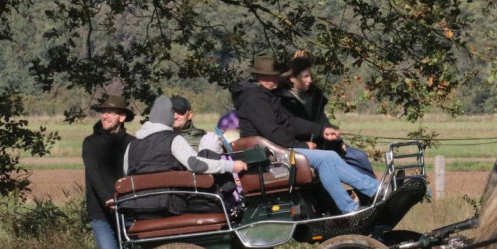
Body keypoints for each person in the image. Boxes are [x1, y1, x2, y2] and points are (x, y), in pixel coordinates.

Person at [231, 54, 379, 214]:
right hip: (267, 157)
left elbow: (290, 121)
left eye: (277, 75)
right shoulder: (254, 99)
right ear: (260, 76)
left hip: (274, 151)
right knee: (327, 158)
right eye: (273, 76)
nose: (277, 79)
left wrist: (321, 130)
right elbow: (272, 132)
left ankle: (350, 207)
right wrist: (300, 145)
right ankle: (374, 190)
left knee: (327, 159)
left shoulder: (266, 95)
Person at [278, 54, 376, 178]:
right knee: (340, 162)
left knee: (359, 156)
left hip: (324, 144)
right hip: (304, 149)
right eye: (305, 77)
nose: (310, 80)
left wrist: (338, 141)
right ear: (292, 78)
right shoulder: (282, 101)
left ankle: (373, 194)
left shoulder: (314, 96)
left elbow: (323, 121)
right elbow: (291, 127)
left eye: (310, 76)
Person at [82, 94, 135, 249]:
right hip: (101, 214)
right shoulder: (90, 143)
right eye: (103, 112)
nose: (104, 115)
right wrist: (108, 199)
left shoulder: (132, 143)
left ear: (122, 117)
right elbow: (94, 173)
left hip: (127, 212)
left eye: (110, 112)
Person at [124, 96, 248, 178]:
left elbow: (126, 173)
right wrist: (229, 166)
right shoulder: (173, 140)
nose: (176, 117)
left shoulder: (132, 145)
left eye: (180, 113)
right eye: (173, 113)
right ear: (169, 118)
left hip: (136, 204)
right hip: (172, 203)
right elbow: (194, 164)